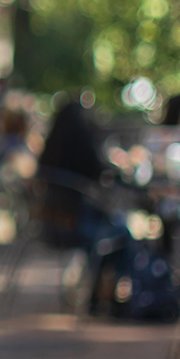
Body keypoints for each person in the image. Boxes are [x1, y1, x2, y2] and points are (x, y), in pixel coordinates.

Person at [38, 98, 133, 307]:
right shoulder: (84, 151)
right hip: (75, 227)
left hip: (49, 227)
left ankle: (98, 293)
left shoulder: (49, 155)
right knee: (122, 232)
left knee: (112, 226)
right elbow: (101, 175)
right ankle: (110, 298)